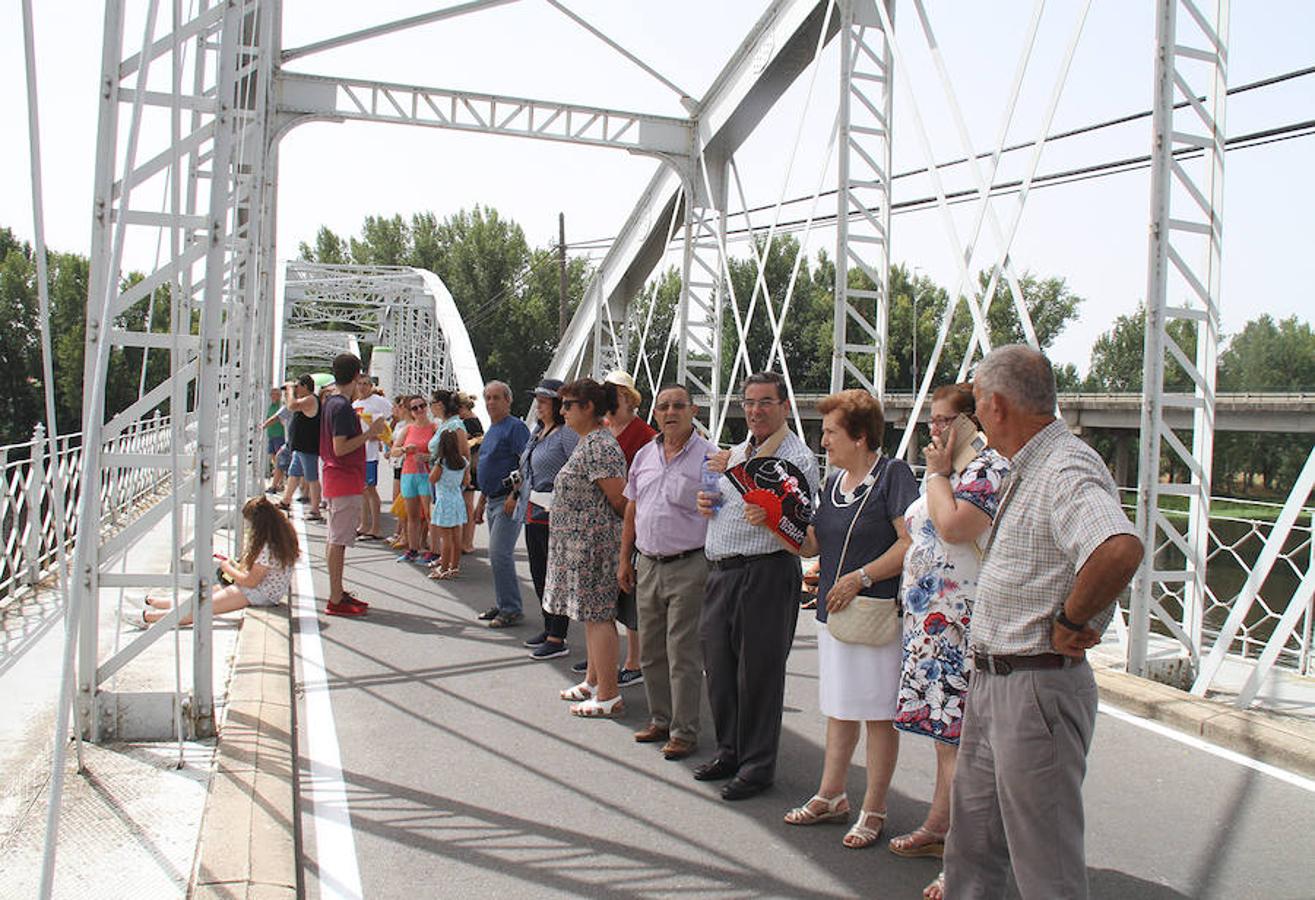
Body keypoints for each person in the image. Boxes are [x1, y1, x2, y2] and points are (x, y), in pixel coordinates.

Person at [941, 345, 1142, 900]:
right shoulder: (1033, 465)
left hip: (1034, 686)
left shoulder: (1064, 465)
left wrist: (1072, 618)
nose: (976, 420)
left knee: (1043, 864)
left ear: (998, 406)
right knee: (973, 847)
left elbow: (1118, 548)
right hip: (997, 682)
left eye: (978, 406)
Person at [777, 390, 916, 846]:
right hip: (834, 614)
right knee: (839, 707)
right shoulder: (834, 484)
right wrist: (773, 520)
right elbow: (812, 545)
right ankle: (831, 795)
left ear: (859, 436)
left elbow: (910, 542)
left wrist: (860, 577)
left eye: (832, 432)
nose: (824, 441)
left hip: (873, 612)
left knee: (876, 714)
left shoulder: (892, 475)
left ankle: (874, 808)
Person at [887, 384, 1010, 876]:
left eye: (943, 420)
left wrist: (936, 475)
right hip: (932, 630)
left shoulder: (988, 469)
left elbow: (957, 527)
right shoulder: (950, 473)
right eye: (931, 421)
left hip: (964, 629)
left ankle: (966, 859)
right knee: (946, 739)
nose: (934, 430)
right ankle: (940, 826)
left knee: (964, 744)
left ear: (970, 421)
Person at [694, 371, 819, 801]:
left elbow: (801, 529)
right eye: (749, 402)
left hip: (765, 572)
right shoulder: (735, 455)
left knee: (759, 675)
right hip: (721, 571)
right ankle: (730, 750)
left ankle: (757, 766)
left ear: (785, 406)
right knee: (720, 668)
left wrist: (770, 517)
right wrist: (707, 501)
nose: (755, 410)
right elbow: (720, 506)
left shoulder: (797, 460)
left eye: (765, 402)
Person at [618, 383, 714, 760]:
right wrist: (624, 559)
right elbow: (632, 510)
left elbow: (719, 511)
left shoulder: (710, 458)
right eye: (663, 407)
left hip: (689, 564)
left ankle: (684, 731)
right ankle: (660, 719)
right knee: (650, 651)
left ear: (693, 411)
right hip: (648, 564)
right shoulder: (644, 455)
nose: (670, 412)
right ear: (654, 414)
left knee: (682, 652)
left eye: (678, 406)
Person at [544, 378, 629, 716]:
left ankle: (609, 695)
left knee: (598, 618)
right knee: (589, 616)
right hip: (580, 546)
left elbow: (621, 499)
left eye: (567, 404)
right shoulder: (588, 442)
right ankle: (593, 681)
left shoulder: (598, 445)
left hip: (594, 547)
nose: (561, 410)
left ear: (588, 407)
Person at [125, 496, 298, 627]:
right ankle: (152, 602)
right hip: (262, 590)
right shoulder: (282, 536)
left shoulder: (268, 547)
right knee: (201, 597)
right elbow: (258, 575)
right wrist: (233, 566)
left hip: (260, 594)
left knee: (201, 610)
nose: (249, 527)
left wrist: (226, 567)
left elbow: (250, 582)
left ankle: (146, 617)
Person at [598, 370, 655, 689]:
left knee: (630, 592)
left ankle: (635, 659)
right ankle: (603, 658)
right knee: (605, 592)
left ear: (627, 397)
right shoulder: (604, 429)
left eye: (615, 393)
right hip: (604, 524)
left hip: (631, 520)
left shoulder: (644, 434)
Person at [515, 378, 580, 660]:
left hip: (556, 513)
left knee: (557, 575)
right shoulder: (537, 432)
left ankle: (558, 635)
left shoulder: (566, 434)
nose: (538, 406)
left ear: (556, 404)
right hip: (533, 510)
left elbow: (578, 467)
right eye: (537, 401)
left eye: (543, 401)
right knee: (539, 571)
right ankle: (547, 625)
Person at [320, 353, 388, 616]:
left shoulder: (331, 404)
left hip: (335, 477)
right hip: (344, 477)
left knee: (333, 539)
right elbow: (341, 447)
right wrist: (371, 433)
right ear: (357, 374)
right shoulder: (343, 408)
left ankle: (337, 591)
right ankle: (336, 598)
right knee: (338, 541)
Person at [473, 380, 530, 627]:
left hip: (508, 501)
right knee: (497, 557)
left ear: (508, 400)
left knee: (499, 554)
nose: (491, 403)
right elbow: (489, 468)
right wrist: (480, 502)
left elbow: (526, 464)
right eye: (488, 398)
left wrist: (515, 496)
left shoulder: (515, 428)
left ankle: (511, 608)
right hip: (492, 499)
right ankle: (504, 602)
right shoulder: (492, 429)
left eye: (497, 398)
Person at [427, 389, 470, 569]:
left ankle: (447, 565)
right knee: (453, 528)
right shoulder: (446, 424)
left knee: (447, 529)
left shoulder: (454, 426)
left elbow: (463, 451)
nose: (430, 407)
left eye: (431, 403)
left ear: (440, 405)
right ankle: (451, 563)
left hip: (445, 479)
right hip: (451, 479)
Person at [393, 396, 436, 564]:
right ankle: (413, 549)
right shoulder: (408, 429)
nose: (419, 410)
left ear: (427, 407)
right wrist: (404, 449)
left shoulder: (434, 428)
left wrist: (427, 457)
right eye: (414, 408)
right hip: (408, 473)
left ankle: (433, 550)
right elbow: (394, 451)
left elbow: (442, 453)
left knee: (428, 514)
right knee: (412, 515)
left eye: (422, 406)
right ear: (410, 412)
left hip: (426, 474)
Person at [352, 372, 393, 540]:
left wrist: (385, 435)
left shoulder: (379, 402)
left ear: (371, 386)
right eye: (359, 384)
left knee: (370, 489)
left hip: (369, 453)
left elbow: (394, 416)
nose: (362, 387)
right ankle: (363, 524)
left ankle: (375, 527)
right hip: (357, 450)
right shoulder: (355, 404)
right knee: (361, 490)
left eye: (365, 384)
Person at [279, 375, 322, 521]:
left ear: (305, 386)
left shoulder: (310, 399)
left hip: (308, 446)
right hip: (300, 446)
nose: (295, 390)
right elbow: (289, 405)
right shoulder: (304, 400)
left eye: (298, 387)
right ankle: (285, 501)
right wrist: (288, 392)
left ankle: (315, 509)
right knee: (293, 474)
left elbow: (291, 406)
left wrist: (290, 390)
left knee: (312, 478)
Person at [457, 392, 484, 553]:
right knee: (466, 504)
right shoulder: (472, 421)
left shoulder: (469, 423)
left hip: (469, 467)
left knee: (467, 505)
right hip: (470, 467)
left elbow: (472, 446)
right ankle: (466, 541)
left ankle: (467, 542)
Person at [387, 395, 413, 549]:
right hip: (397, 463)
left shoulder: (410, 426)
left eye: (401, 406)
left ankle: (404, 535)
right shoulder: (400, 425)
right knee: (397, 500)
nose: (397, 409)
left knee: (403, 501)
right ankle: (400, 533)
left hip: (405, 464)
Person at [263, 387, 287, 494]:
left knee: (279, 459)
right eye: (272, 394)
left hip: (279, 435)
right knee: (273, 456)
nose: (273, 396)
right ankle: (279, 480)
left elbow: (277, 419)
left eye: (275, 394)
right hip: (271, 435)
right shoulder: (271, 406)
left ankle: (279, 483)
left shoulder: (280, 406)